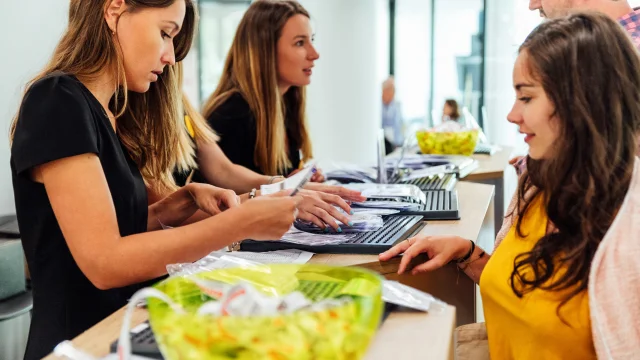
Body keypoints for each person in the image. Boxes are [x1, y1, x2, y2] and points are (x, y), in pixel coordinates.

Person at [9, 1, 302, 358]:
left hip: (123, 330)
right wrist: (237, 224)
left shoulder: (108, 112)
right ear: (114, 10)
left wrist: (172, 207)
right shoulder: (57, 99)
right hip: (81, 344)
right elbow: (104, 262)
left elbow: (106, 227)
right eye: (165, 33)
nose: (169, 56)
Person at [380, 12, 640, 359]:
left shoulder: (628, 229)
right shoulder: (536, 185)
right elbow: (526, 292)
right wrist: (469, 253)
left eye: (527, 98)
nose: (511, 115)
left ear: (580, 101)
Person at [200, 0, 325, 185]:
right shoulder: (231, 114)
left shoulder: (286, 103)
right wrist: (284, 187)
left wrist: (299, 180)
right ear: (264, 51)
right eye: (300, 43)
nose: (314, 54)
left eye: (311, 40)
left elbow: (279, 183)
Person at [512, 0, 640, 172]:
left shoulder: (608, 57)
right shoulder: (592, 51)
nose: (533, 4)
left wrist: (534, 171)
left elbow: (590, 163)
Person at [382, 76, 403, 151]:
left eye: (394, 90)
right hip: (384, 144)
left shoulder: (397, 105)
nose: (393, 92)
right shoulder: (378, 106)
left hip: (397, 144)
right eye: (390, 89)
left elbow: (400, 125)